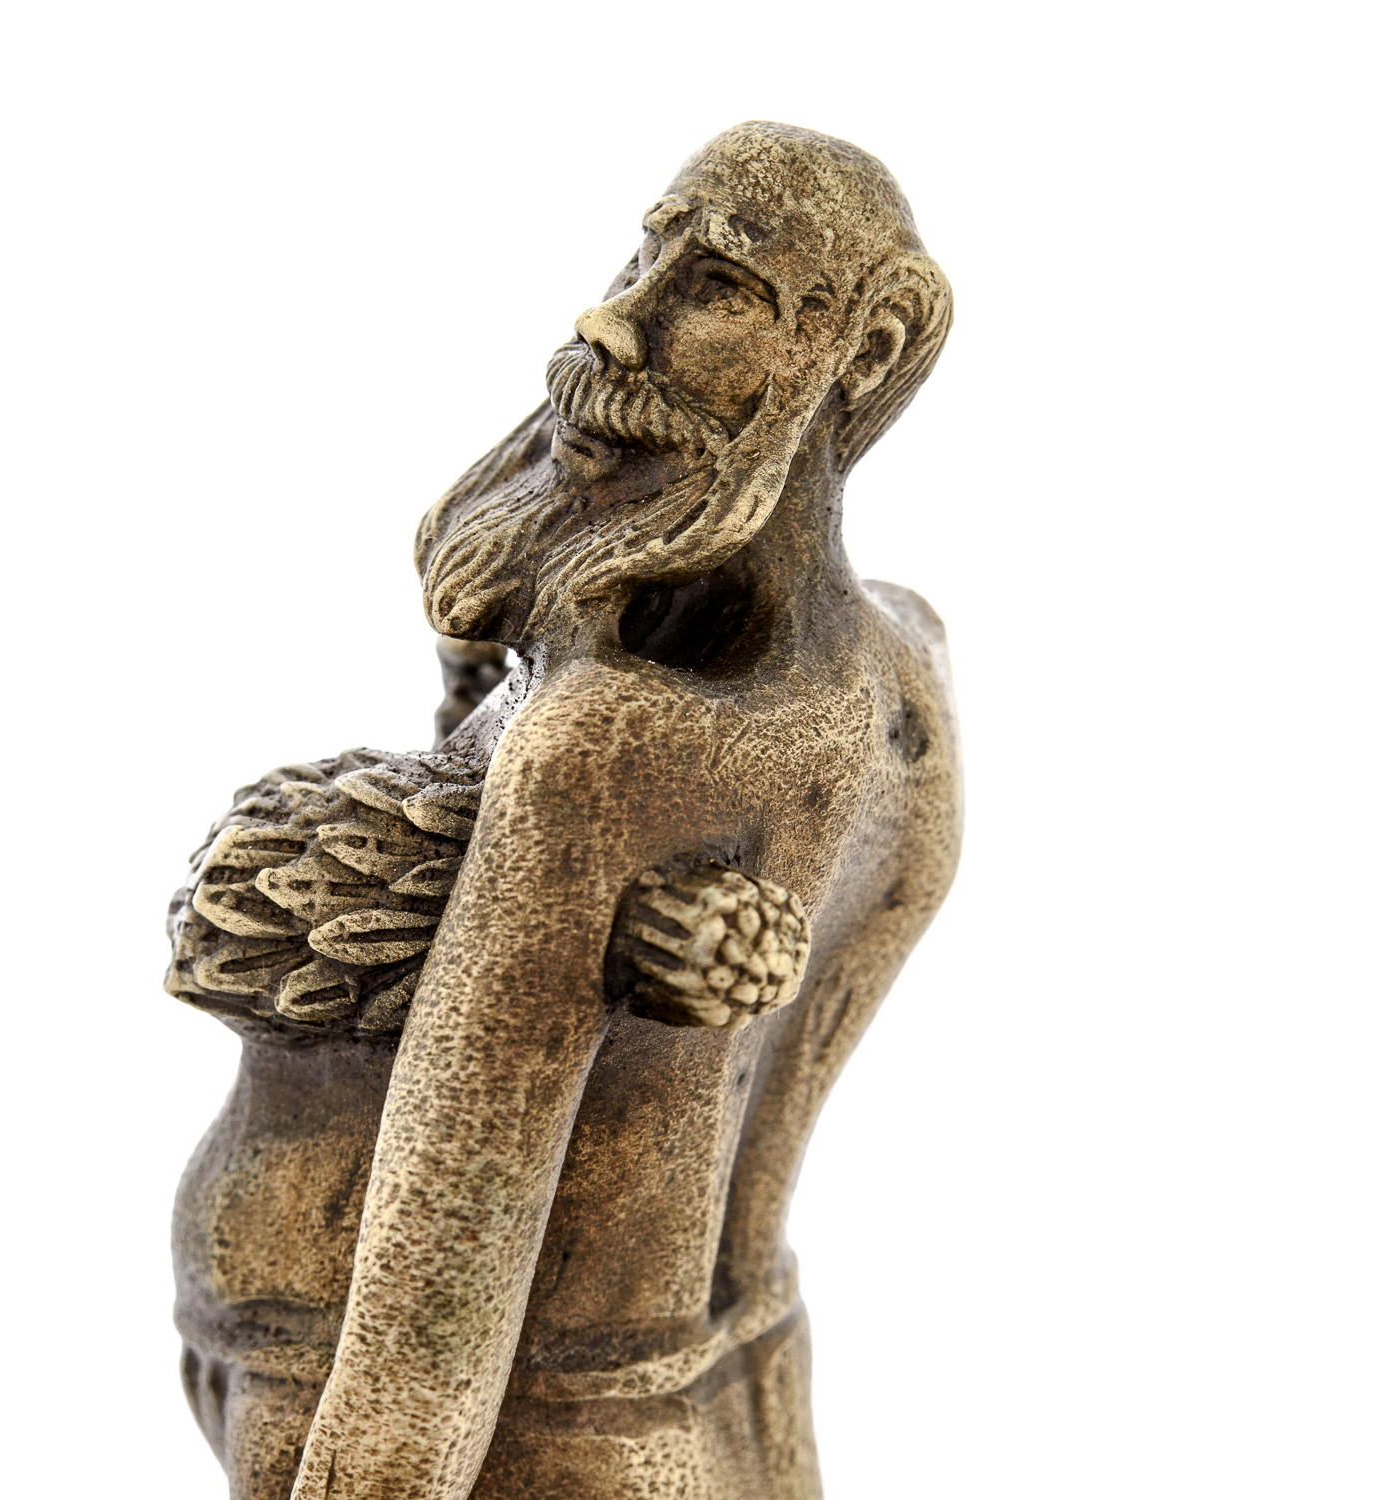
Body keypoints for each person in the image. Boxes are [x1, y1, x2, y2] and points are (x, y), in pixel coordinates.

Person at [170, 120, 961, 1500]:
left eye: (717, 286)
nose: (614, 320)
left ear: (866, 353)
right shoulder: (905, 681)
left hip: (472, 1415)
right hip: (669, 1401)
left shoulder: (610, 745)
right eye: (645, 256)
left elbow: (430, 1334)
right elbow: (753, 1265)